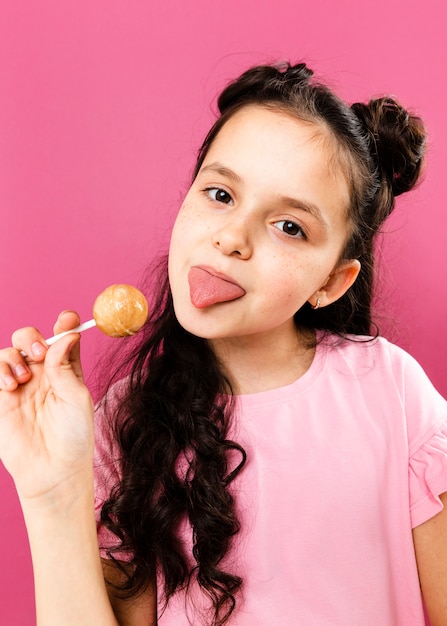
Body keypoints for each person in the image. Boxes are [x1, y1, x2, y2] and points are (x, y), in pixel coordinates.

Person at [0, 61, 445, 626]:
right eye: (219, 193)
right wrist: (53, 491)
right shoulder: (123, 422)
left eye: (289, 226)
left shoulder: (393, 393)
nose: (231, 237)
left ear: (331, 282)